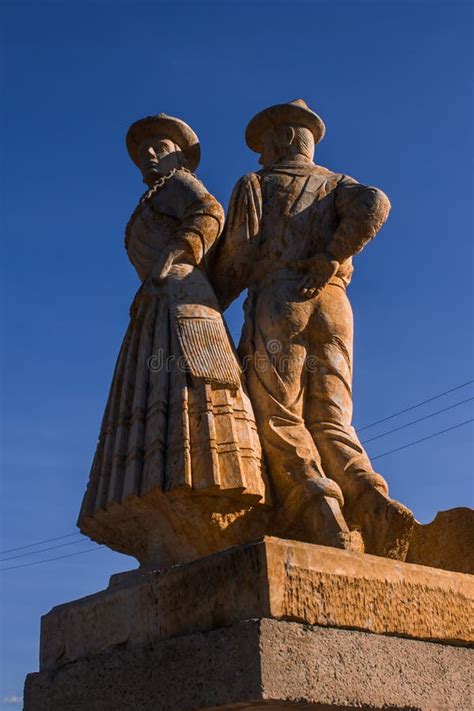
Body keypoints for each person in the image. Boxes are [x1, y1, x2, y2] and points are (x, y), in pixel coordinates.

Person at [210, 99, 414, 559]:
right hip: (335, 304)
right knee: (333, 418)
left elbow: (239, 258)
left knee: (280, 414)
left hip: (281, 299)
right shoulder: (337, 184)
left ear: (283, 138)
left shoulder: (257, 184)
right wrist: (333, 256)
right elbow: (375, 202)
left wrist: (202, 300)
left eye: (263, 145)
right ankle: (372, 500)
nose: (260, 156)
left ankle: (321, 511)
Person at [78, 113, 269, 544]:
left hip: (184, 297)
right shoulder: (150, 200)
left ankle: (208, 520)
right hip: (155, 307)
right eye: (144, 151)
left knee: (194, 390)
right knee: (154, 402)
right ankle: (165, 532)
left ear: (180, 156)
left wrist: (177, 254)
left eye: (160, 148)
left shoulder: (180, 183)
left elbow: (210, 211)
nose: (149, 155)